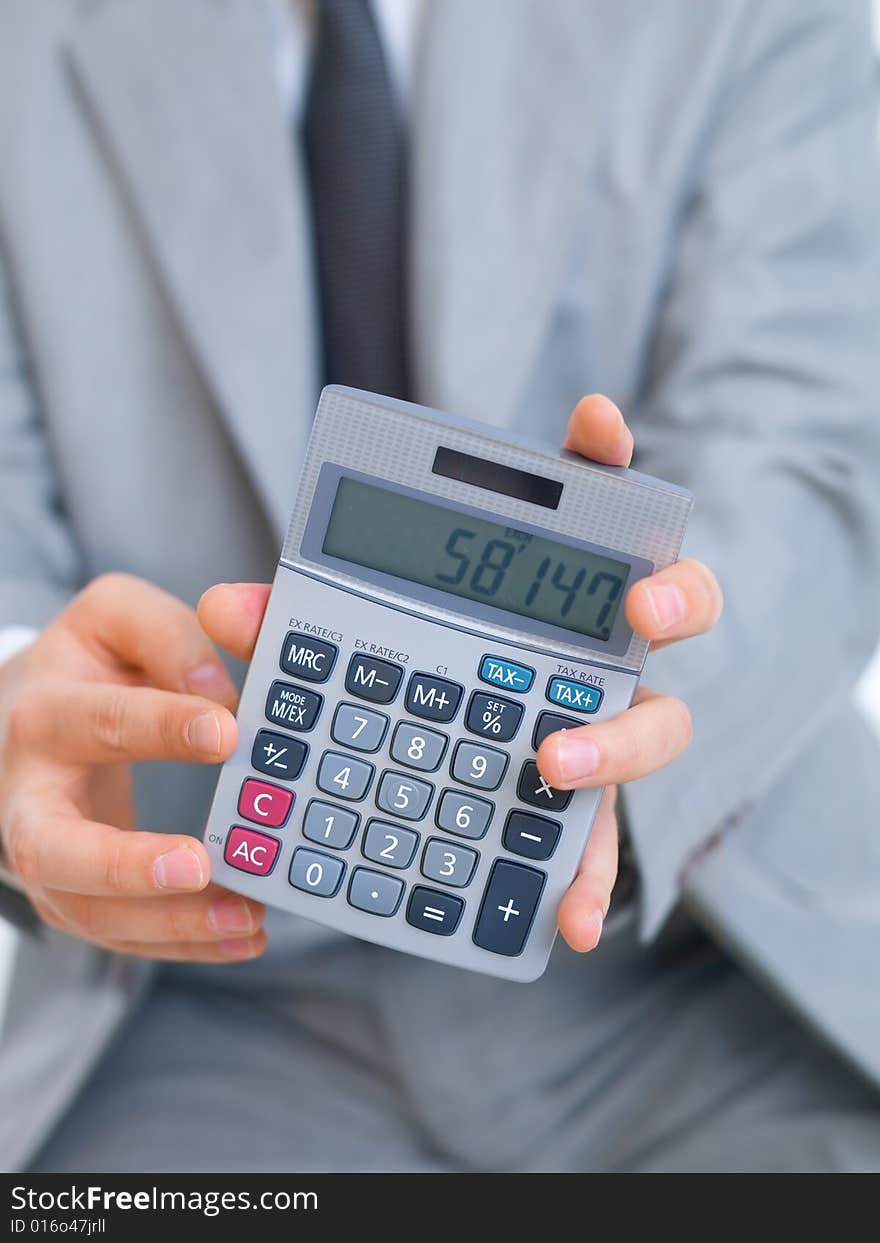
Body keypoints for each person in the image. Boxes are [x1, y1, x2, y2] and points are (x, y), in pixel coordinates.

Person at [0, 0, 878, 1173]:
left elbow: (811, 444)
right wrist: (18, 722)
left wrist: (625, 729)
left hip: (701, 950)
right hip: (210, 971)